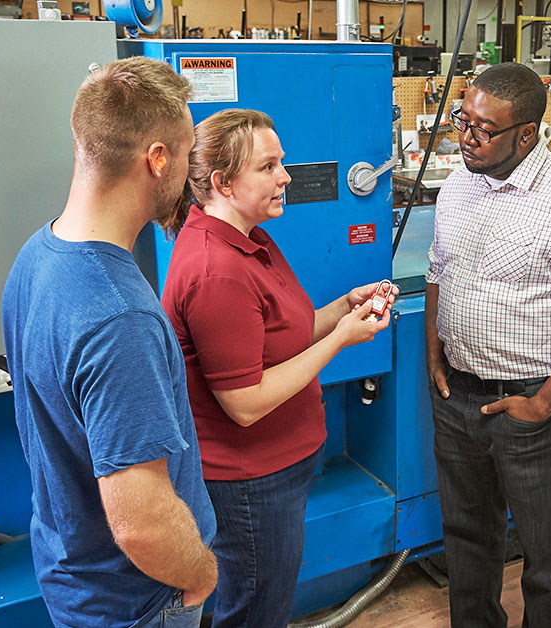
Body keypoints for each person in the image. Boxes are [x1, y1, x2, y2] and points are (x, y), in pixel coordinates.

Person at [1, 57, 217, 628]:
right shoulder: (119, 315)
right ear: (158, 159)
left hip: (75, 576)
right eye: (188, 150)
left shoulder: (37, 255)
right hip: (139, 603)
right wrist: (200, 576)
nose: (192, 171)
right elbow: (141, 523)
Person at [158, 109, 394, 628]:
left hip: (277, 468)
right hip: (249, 480)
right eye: (268, 167)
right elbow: (244, 402)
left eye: (281, 162)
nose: (285, 176)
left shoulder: (250, 237)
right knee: (255, 612)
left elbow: (277, 337)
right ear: (221, 182)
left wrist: (341, 309)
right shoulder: (215, 269)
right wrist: (342, 338)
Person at [424, 62, 551, 627]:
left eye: (484, 130)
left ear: (527, 134)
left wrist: (542, 404)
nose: (466, 138)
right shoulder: (458, 184)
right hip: (457, 396)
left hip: (534, 406)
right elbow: (439, 270)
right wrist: (434, 352)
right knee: (465, 539)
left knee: (549, 554)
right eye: (463, 122)